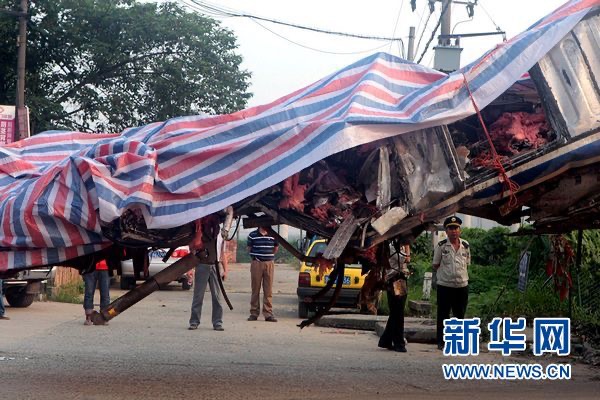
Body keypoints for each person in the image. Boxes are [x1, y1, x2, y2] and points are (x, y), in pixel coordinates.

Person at [432, 216, 471, 350]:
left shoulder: (465, 245)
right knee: (443, 314)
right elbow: (436, 264)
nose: (454, 231)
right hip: (445, 286)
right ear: (446, 230)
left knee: (459, 315)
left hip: (461, 286)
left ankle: (457, 341)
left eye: (456, 228)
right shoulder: (441, 246)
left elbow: (467, 263)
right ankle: (441, 342)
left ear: (460, 230)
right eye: (451, 228)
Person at [189, 214, 228, 331]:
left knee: (217, 297)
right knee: (198, 296)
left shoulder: (221, 236)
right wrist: (190, 269)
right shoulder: (199, 234)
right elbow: (192, 249)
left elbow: (222, 253)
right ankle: (194, 322)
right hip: (202, 265)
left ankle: (217, 322)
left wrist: (225, 270)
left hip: (215, 266)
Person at [378, 244, 410, 352]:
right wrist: (407, 249)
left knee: (396, 311)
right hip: (396, 279)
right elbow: (405, 259)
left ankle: (386, 340)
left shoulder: (399, 245)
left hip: (400, 278)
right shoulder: (392, 245)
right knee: (398, 311)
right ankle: (398, 343)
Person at [247, 225, 279, 322]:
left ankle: (268, 313)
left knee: (268, 289)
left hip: (269, 263)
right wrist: (256, 257)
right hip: (257, 263)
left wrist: (268, 257)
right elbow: (249, 248)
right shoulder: (252, 235)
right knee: (255, 288)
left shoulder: (273, 235)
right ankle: (254, 313)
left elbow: (275, 248)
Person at [83, 259, 111, 325]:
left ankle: (105, 317)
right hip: (90, 266)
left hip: (105, 267)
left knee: (105, 293)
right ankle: (88, 317)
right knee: (89, 292)